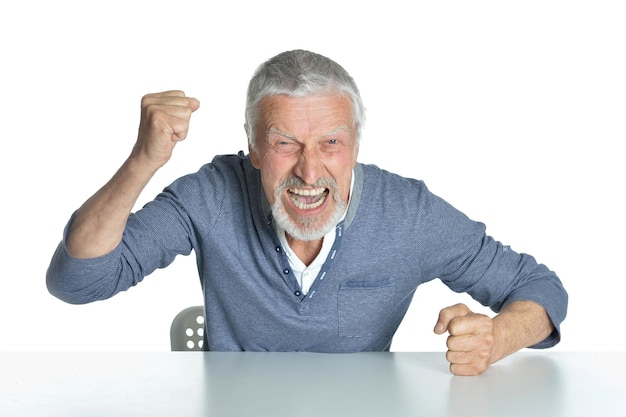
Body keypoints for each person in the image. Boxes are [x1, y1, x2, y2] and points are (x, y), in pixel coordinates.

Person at [47, 49, 568, 376]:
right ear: (252, 147)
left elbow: (542, 291)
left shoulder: (407, 213)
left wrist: (497, 338)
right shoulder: (212, 193)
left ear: (357, 144)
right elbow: (77, 281)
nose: (310, 170)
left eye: (332, 143)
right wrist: (145, 161)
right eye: (285, 143)